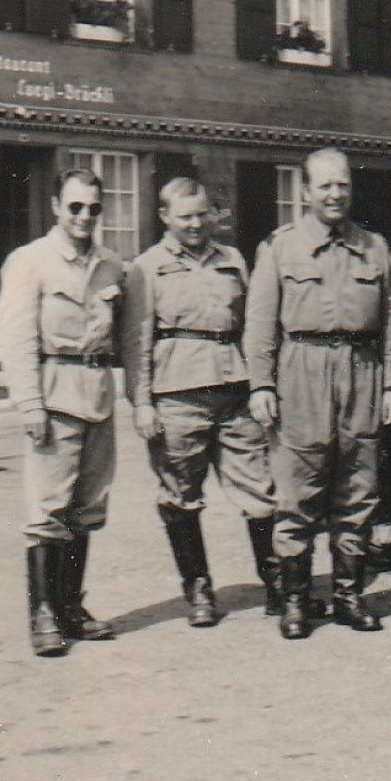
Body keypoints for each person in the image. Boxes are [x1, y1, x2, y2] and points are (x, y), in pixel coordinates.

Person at [122, 177, 304, 629]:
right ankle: (199, 588)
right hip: (177, 393)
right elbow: (136, 339)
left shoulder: (232, 260)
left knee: (261, 491)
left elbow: (251, 323)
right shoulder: (147, 268)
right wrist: (142, 402)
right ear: (165, 217)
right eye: (185, 217)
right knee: (181, 495)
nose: (196, 224)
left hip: (233, 387)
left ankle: (276, 583)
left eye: (203, 215)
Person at [244, 148, 391, 640]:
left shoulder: (375, 247)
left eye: (342, 186)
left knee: (358, 487)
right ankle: (294, 600)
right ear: (306, 192)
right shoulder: (280, 247)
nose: (335, 194)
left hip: (362, 371)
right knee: (297, 491)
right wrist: (261, 384)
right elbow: (259, 324)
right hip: (302, 371)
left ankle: (349, 597)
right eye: (325, 186)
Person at [0, 167, 124, 657]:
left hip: (97, 395)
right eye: (75, 207)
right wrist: (30, 404)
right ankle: (43, 613)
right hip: (53, 393)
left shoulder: (111, 265)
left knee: (88, 507)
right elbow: (14, 338)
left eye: (93, 208)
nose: (84, 216)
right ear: (55, 207)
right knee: (48, 509)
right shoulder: (31, 262)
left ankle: (70, 607)